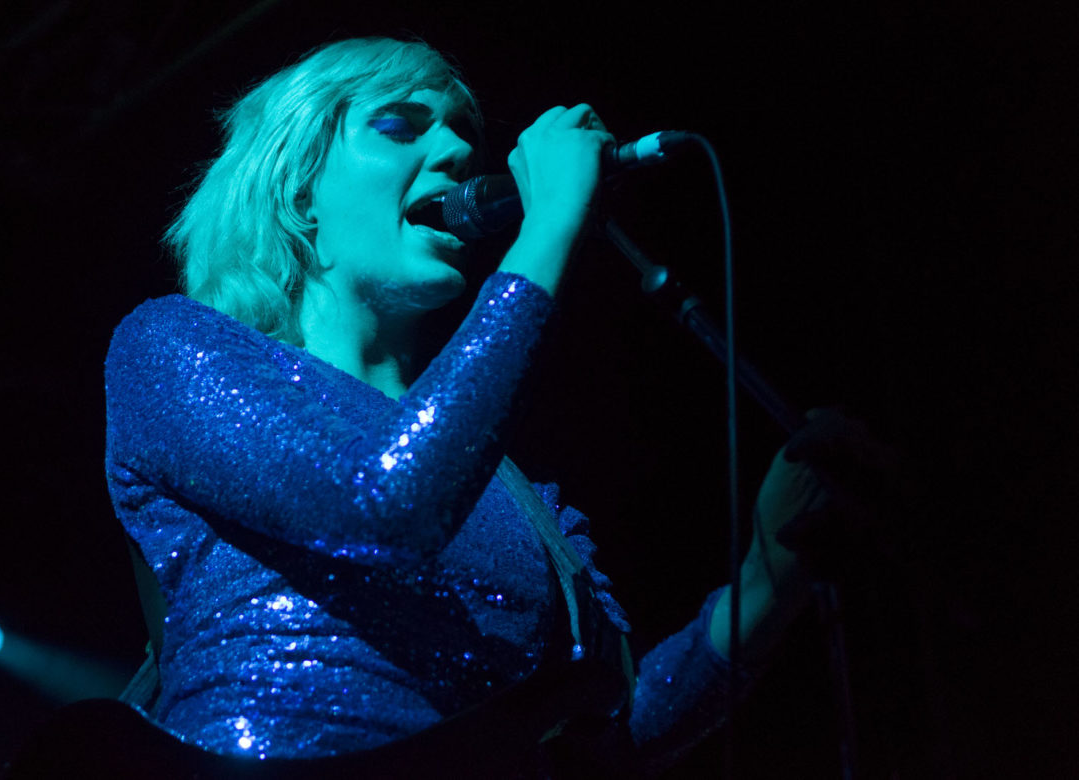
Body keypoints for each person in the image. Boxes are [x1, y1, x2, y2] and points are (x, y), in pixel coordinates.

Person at [103, 36, 845, 776]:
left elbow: (600, 738)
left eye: (463, 131)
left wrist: (766, 580)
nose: (458, 149)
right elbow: (382, 500)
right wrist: (549, 230)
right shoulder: (171, 346)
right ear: (297, 188)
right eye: (401, 125)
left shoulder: (508, 489)